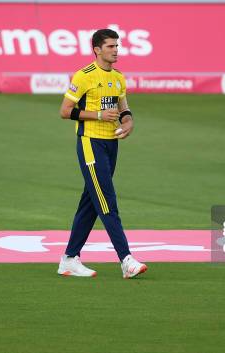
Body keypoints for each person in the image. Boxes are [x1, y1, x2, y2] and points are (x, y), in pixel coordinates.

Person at [57, 29, 147, 279]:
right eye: (110, 46)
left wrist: (128, 122)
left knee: (91, 202)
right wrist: (96, 115)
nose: (116, 50)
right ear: (97, 49)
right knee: (107, 201)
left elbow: (123, 107)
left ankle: (69, 259)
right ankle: (126, 260)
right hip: (90, 143)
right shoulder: (84, 76)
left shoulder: (118, 77)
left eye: (117, 45)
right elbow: (65, 111)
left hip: (111, 144)